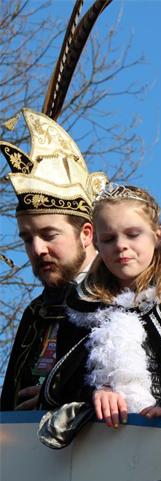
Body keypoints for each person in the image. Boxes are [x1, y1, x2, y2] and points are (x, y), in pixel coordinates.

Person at [38, 184, 161, 427]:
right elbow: (66, 384)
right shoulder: (81, 309)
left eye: (132, 234)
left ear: (158, 236)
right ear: (96, 244)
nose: (120, 245)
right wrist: (96, 393)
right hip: (100, 438)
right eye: (109, 239)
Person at [1, 109, 107, 411]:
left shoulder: (124, 296)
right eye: (27, 238)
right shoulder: (36, 312)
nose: (37, 249)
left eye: (49, 235)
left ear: (86, 233)